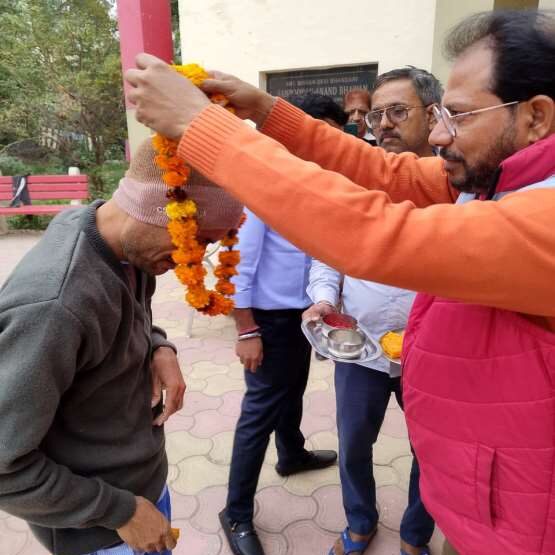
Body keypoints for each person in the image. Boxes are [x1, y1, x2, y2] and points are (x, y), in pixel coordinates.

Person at [125, 8, 555, 555]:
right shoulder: (501, 177)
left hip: (524, 525)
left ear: (536, 117)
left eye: (462, 116)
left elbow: (369, 232)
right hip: (494, 501)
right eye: (442, 113)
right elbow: (384, 173)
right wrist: (264, 110)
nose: (442, 134)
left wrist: (204, 129)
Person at [0, 138, 244, 555]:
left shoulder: (124, 245)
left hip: (139, 490)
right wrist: (121, 512)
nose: (191, 260)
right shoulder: (54, 308)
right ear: (153, 207)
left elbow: (129, 316)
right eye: (190, 238)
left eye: (206, 245)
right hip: (101, 531)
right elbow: (5, 468)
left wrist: (158, 347)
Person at [304, 67, 442, 555]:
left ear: (433, 115)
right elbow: (327, 253)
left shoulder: (456, 184)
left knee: (430, 452)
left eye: (398, 112)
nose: (383, 123)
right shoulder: (353, 181)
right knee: (354, 445)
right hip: (358, 348)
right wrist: (323, 296)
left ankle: (415, 534)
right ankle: (360, 523)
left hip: (433, 355)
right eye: (377, 114)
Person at [220, 93, 345, 555]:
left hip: (301, 316)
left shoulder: (310, 183)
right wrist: (246, 330)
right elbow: (238, 267)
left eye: (330, 135)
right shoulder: (263, 188)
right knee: (258, 415)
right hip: (267, 323)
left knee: (293, 392)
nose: (322, 144)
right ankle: (235, 514)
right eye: (316, 133)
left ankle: (291, 454)